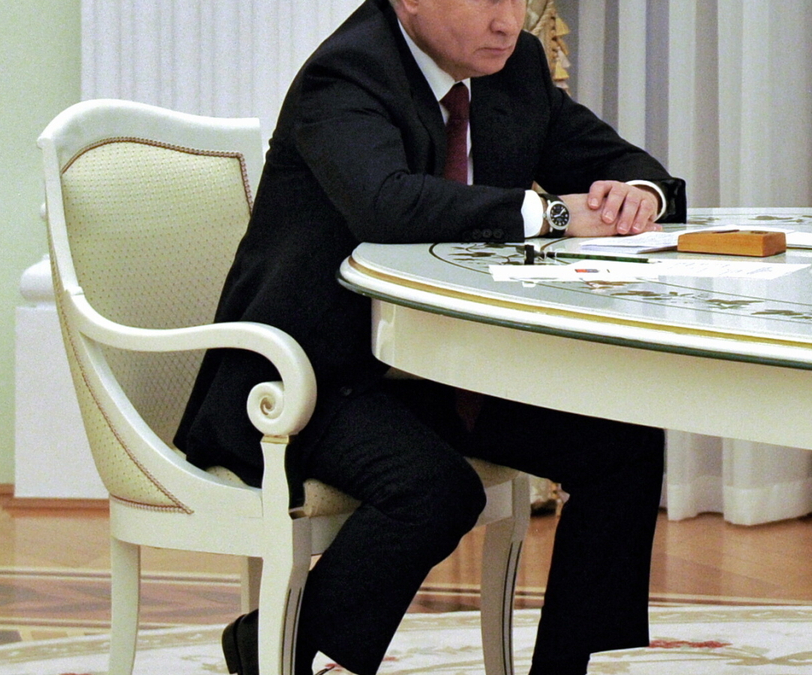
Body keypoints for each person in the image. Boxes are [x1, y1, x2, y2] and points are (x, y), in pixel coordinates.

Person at [174, 0, 686, 674]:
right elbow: (387, 204)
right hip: (308, 378)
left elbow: (626, 166)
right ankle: (277, 640)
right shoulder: (347, 73)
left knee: (622, 441)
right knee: (436, 490)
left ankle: (563, 667)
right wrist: (553, 214)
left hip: (440, 369)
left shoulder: (513, 67)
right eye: (487, 0)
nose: (509, 21)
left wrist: (638, 194)